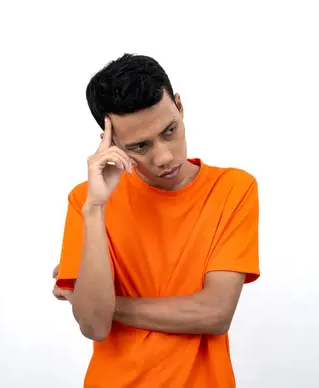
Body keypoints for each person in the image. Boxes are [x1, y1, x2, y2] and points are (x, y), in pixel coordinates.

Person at [52, 53, 260, 387]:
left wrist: (104, 304)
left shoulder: (233, 189)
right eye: (139, 146)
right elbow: (94, 325)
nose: (164, 156)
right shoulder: (86, 201)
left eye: (169, 131)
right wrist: (95, 210)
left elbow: (215, 314)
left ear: (179, 105)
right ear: (111, 143)